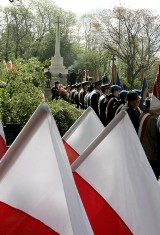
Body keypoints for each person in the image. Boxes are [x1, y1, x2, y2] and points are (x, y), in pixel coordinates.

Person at [138, 98, 160, 179]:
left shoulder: (143, 114)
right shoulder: (152, 119)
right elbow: (155, 136)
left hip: (143, 149)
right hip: (150, 153)